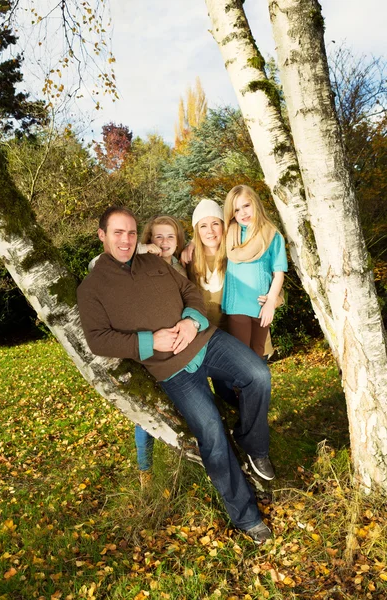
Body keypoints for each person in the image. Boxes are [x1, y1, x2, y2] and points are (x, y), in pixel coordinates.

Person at [78, 205, 273, 544]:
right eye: (117, 233)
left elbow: (191, 293)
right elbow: (98, 339)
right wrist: (147, 340)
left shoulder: (155, 262)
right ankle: (247, 517)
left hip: (206, 341)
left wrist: (190, 320)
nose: (125, 240)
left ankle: (253, 444)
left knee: (258, 375)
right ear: (102, 236)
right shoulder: (91, 288)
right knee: (211, 433)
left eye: (131, 233)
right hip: (171, 369)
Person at [134, 215, 187, 485]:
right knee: (147, 411)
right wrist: (141, 250)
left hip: (182, 346)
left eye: (170, 237)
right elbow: (98, 261)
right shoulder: (139, 262)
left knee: (182, 405)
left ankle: (182, 462)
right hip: (152, 348)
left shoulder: (180, 266)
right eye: (158, 237)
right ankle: (146, 471)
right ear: (149, 240)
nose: (165, 242)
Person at [222, 185, 288, 359]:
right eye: (236, 210)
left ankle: (257, 387)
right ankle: (241, 387)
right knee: (241, 358)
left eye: (246, 205)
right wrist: (189, 246)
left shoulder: (272, 235)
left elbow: (278, 273)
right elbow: (206, 236)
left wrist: (271, 301)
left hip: (261, 304)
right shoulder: (229, 233)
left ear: (255, 203)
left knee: (258, 353)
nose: (243, 213)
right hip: (237, 305)